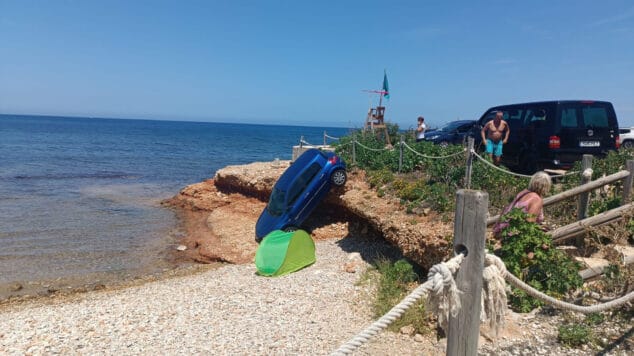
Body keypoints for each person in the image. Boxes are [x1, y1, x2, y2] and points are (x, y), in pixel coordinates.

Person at [493, 171, 552, 237]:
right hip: (514, 235)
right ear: (546, 186)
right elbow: (529, 224)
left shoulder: (523, 193)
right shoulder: (536, 200)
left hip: (504, 230)